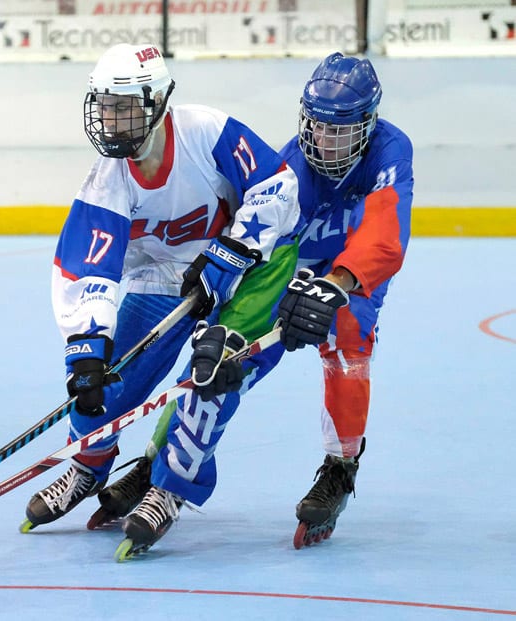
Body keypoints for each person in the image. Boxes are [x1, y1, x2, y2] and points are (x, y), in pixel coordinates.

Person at [97, 52, 414, 558]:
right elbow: (262, 240)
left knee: (348, 341)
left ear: (369, 124)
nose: (325, 143)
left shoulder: (390, 149)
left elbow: (385, 228)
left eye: (340, 131)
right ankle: (160, 460)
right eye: (317, 127)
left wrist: (335, 284)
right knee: (224, 362)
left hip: (350, 274)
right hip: (286, 271)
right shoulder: (290, 163)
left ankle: (340, 466)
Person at [19, 43, 301, 536]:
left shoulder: (206, 131)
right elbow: (86, 269)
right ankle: (88, 465)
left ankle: (170, 487)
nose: (111, 120)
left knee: (214, 375)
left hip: (251, 269)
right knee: (108, 381)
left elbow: (276, 185)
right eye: (105, 107)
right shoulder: (105, 181)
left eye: (124, 107)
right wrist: (86, 347)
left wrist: (233, 250)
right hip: (166, 276)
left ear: (157, 102)